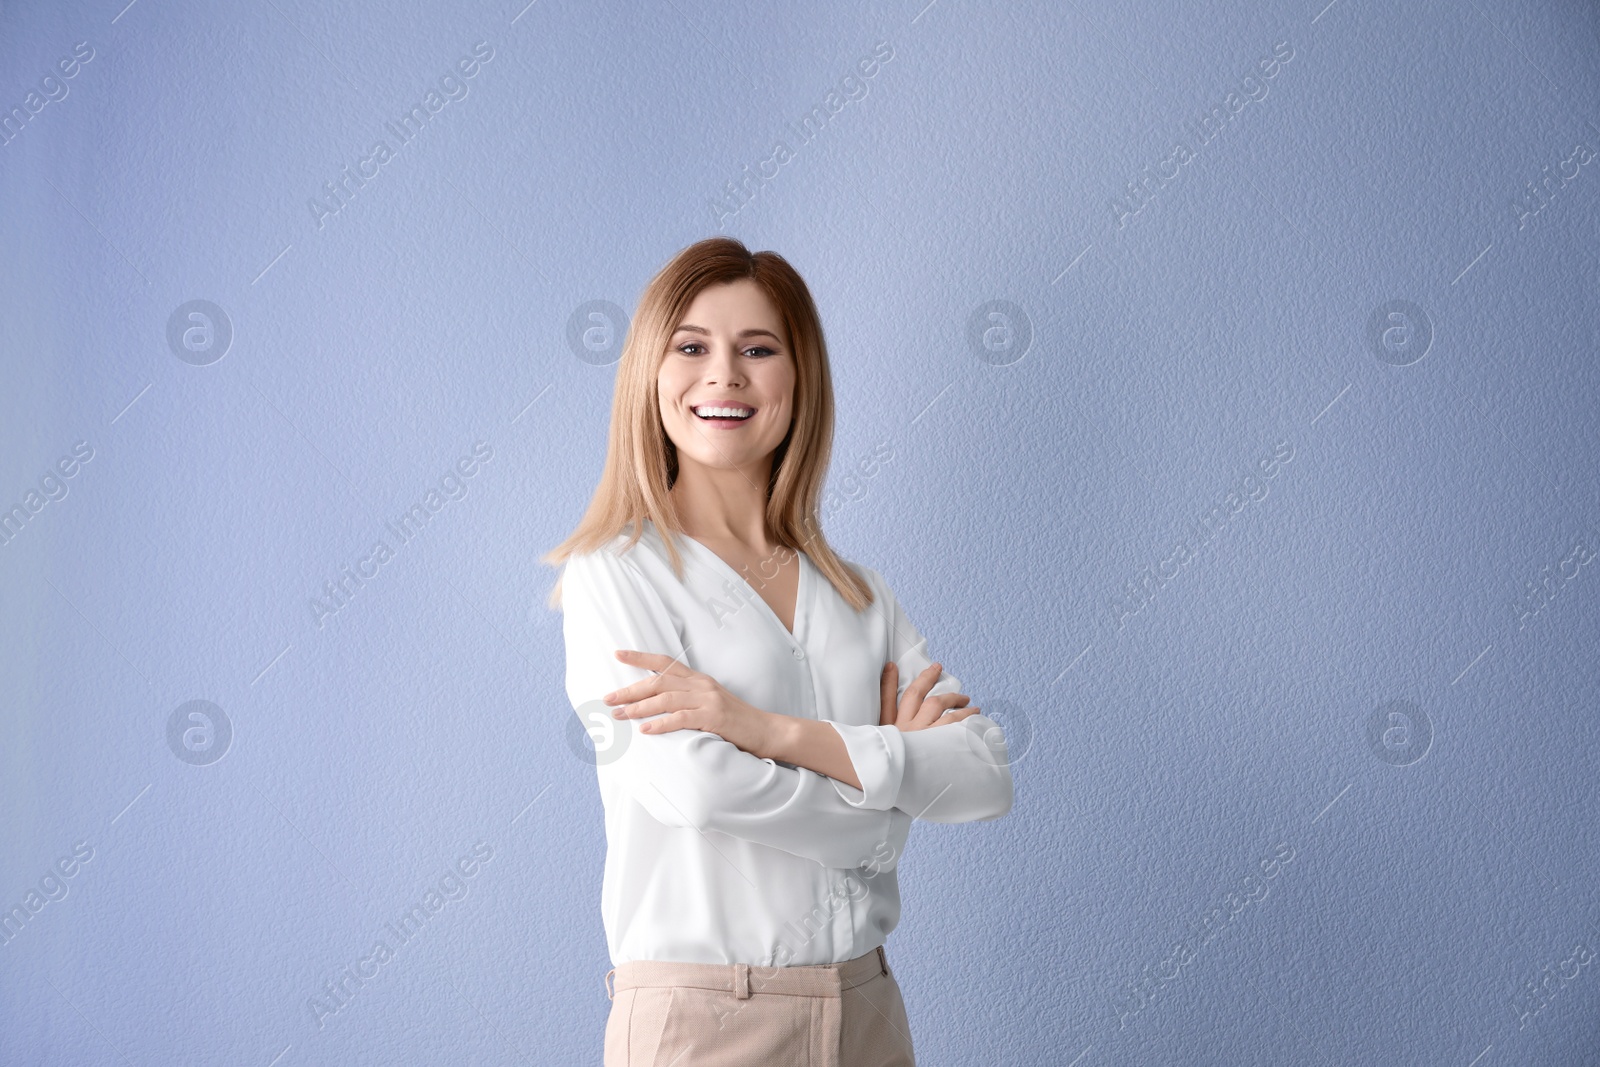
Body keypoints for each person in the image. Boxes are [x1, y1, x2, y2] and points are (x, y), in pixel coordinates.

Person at [544, 236, 1013, 1066]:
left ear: (800, 378)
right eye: (691, 347)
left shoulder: (861, 595)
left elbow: (983, 774)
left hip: (867, 1008)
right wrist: (890, 801)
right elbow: (698, 786)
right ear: (650, 373)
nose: (724, 374)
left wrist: (763, 728)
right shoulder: (615, 576)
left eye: (758, 349)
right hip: (703, 1018)